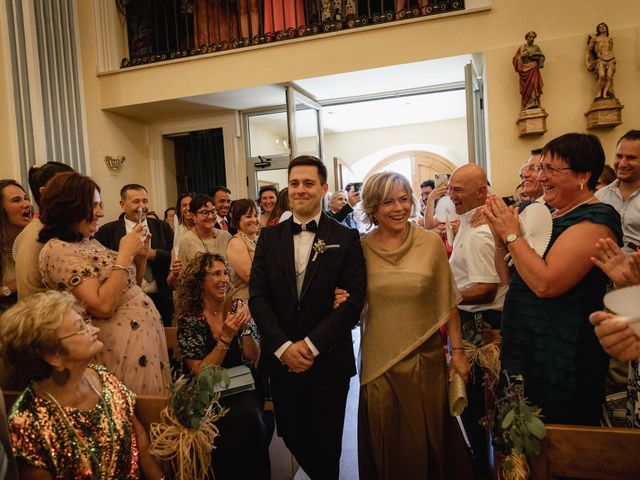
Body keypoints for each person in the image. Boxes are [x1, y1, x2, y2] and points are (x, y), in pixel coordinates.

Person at [484, 133, 622, 425]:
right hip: (526, 346)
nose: (541, 177)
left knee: (555, 439)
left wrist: (512, 234)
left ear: (583, 175)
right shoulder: (550, 214)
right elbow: (510, 276)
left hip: (561, 354)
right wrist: (501, 238)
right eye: (539, 168)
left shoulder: (596, 220)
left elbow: (546, 283)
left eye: (550, 169)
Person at [250, 155, 366, 479]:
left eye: (308, 183)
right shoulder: (269, 238)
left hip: (328, 360)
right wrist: (284, 347)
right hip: (283, 360)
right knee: (292, 435)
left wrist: (311, 345)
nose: (300, 190)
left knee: (328, 447)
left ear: (324, 188)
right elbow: (258, 296)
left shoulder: (345, 238)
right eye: (294, 183)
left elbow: (355, 300)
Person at [357, 171, 472, 479]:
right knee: (386, 439)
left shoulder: (430, 243)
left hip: (424, 358)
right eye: (388, 202)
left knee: (427, 437)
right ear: (373, 208)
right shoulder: (360, 250)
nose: (398, 208)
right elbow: (352, 304)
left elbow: (448, 302)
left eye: (404, 199)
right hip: (379, 360)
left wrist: (457, 352)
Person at [0, 290, 164, 480]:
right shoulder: (28, 424)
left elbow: (141, 440)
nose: (95, 330)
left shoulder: (101, 377)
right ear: (52, 354)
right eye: (81, 327)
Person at [38, 172, 169, 396]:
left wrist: (139, 255)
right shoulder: (57, 249)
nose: (101, 212)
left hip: (142, 344)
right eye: (94, 206)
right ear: (70, 207)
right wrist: (125, 255)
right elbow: (102, 306)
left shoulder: (90, 242)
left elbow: (130, 287)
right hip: (117, 353)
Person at [175, 252, 270, 479]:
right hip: (207, 393)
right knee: (230, 421)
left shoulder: (238, 307)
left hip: (242, 383)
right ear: (200, 281)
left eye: (226, 273)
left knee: (249, 416)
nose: (224, 279)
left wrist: (245, 328)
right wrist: (226, 338)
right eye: (216, 274)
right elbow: (200, 374)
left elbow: (254, 358)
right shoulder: (191, 319)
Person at [448, 164, 506, 478]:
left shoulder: (482, 232)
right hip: (470, 321)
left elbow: (485, 289)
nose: (451, 195)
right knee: (471, 407)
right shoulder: (470, 223)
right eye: (451, 187)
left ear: (481, 192)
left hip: (481, 327)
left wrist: (444, 297)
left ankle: (481, 470)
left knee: (478, 408)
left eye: (459, 190)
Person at [94, 184, 175, 326]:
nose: (142, 206)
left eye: (145, 201)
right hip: (124, 301)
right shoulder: (107, 231)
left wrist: (153, 254)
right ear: (123, 204)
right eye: (136, 201)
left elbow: (173, 256)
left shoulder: (161, 227)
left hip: (160, 297)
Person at [15, 162, 75, 301]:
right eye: (71, 188)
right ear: (46, 193)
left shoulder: (61, 228)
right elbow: (31, 297)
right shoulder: (36, 234)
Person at [167, 194, 232, 289]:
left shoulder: (226, 236)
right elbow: (173, 284)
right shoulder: (184, 241)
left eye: (213, 211)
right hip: (197, 298)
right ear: (194, 216)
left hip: (225, 294)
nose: (210, 216)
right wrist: (174, 274)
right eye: (205, 212)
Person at [595, 130, 640, 255]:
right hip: (602, 270)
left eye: (631, 158)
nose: (622, 163)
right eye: (619, 156)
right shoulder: (600, 197)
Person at [0, 179, 32, 313]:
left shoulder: (34, 239)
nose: (27, 204)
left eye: (26, 198)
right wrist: (16, 285)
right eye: (16, 200)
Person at [226, 199, 259, 304]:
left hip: (263, 299)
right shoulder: (236, 242)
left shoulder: (260, 238)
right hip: (246, 303)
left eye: (256, 215)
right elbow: (251, 277)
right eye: (248, 216)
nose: (254, 219)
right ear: (237, 219)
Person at [513, 31, 545, 110]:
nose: (532, 39)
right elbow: (515, 59)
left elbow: (541, 57)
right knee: (526, 88)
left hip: (534, 69)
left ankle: (535, 103)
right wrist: (522, 56)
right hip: (525, 71)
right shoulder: (521, 48)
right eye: (530, 37)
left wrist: (539, 58)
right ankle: (526, 103)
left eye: (533, 38)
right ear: (526, 38)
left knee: (534, 85)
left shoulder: (536, 47)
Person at [586, 22, 616, 99]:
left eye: (603, 26)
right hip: (601, 60)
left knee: (609, 77)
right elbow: (588, 51)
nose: (602, 28)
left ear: (606, 28)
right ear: (598, 30)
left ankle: (605, 93)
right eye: (600, 27)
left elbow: (610, 50)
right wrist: (587, 62)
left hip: (611, 59)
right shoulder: (595, 38)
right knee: (602, 76)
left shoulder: (610, 39)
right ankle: (599, 93)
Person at [517, 148, 545, 212]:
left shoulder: (557, 209)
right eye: (525, 169)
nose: (525, 174)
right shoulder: (522, 207)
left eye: (533, 168)